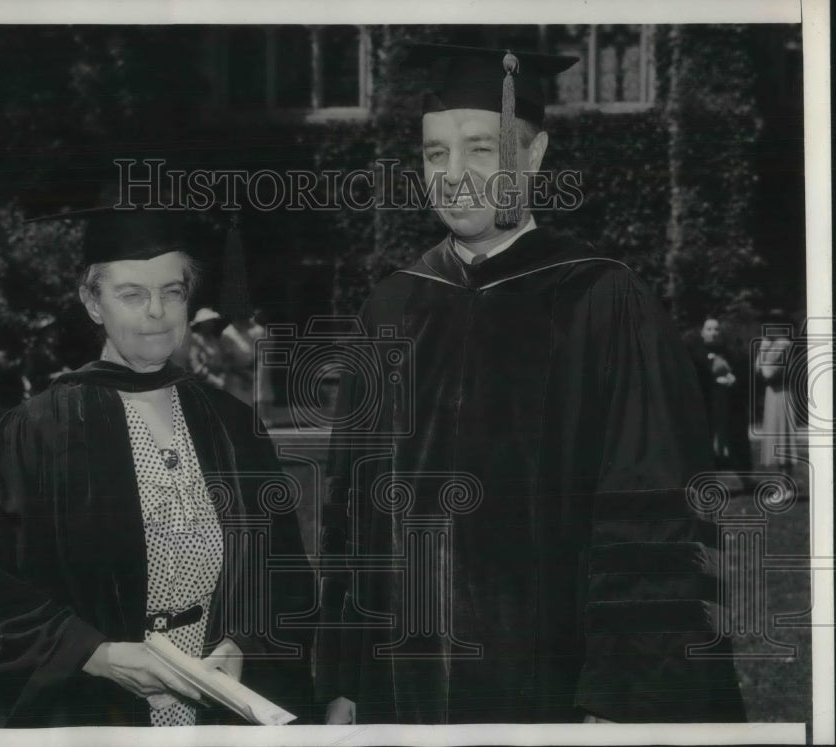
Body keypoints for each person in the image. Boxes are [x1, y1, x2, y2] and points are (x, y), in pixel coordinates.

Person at [318, 44, 745, 724]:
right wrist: (344, 681)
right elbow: (351, 513)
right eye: (435, 154)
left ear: (535, 154)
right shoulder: (391, 309)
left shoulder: (602, 301)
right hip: (404, 687)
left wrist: (621, 694)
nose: (454, 175)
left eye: (481, 150)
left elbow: (655, 513)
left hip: (557, 685)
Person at [0, 208, 313, 727]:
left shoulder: (232, 425)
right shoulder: (39, 431)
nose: (156, 312)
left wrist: (244, 641)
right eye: (132, 294)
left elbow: (282, 570)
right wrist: (94, 654)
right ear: (93, 303)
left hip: (219, 702)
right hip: (94, 708)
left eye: (172, 292)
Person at [689, 318, 754, 480]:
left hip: (729, 403)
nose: (713, 333)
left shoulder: (729, 353)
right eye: (709, 329)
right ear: (702, 333)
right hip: (707, 404)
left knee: (737, 436)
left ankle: (745, 477)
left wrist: (734, 379)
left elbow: (741, 371)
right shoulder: (695, 353)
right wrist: (713, 380)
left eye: (716, 329)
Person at [755, 311, 798, 501]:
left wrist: (764, 351)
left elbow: (768, 373)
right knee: (777, 439)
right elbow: (758, 368)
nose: (766, 329)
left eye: (770, 324)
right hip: (773, 394)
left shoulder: (784, 344)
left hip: (782, 395)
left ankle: (785, 487)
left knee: (783, 440)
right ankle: (784, 486)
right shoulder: (771, 344)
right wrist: (763, 349)